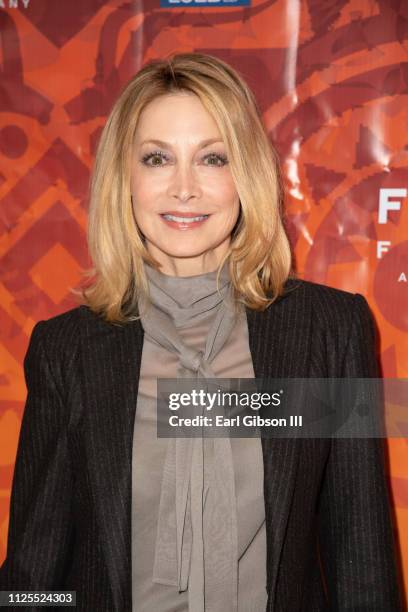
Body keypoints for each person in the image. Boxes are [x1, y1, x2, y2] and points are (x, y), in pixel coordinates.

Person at [0, 52, 402, 612]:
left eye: (213, 158)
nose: (184, 188)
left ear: (248, 176)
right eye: (158, 158)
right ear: (125, 178)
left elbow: (363, 560)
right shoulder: (66, 349)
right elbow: (35, 570)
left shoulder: (328, 330)